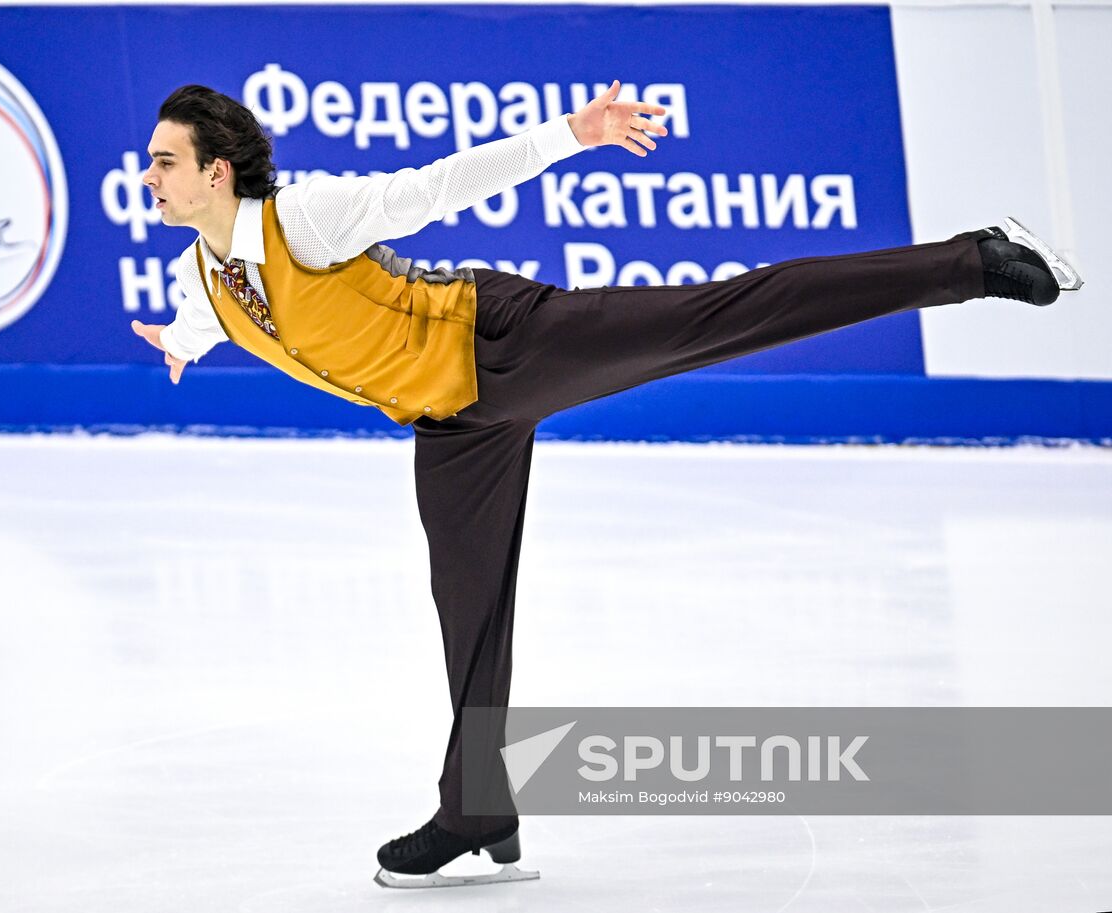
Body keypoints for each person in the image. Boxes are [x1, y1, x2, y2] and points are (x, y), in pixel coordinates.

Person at [129, 82, 1083, 889]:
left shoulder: (303, 218)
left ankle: (973, 260)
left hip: (501, 342)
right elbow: (207, 323)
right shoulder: (201, 279)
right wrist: (176, 343)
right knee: (467, 614)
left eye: (165, 161)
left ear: (219, 171)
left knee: (716, 315)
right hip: (451, 425)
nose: (151, 176)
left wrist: (570, 135)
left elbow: (435, 186)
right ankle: (479, 810)